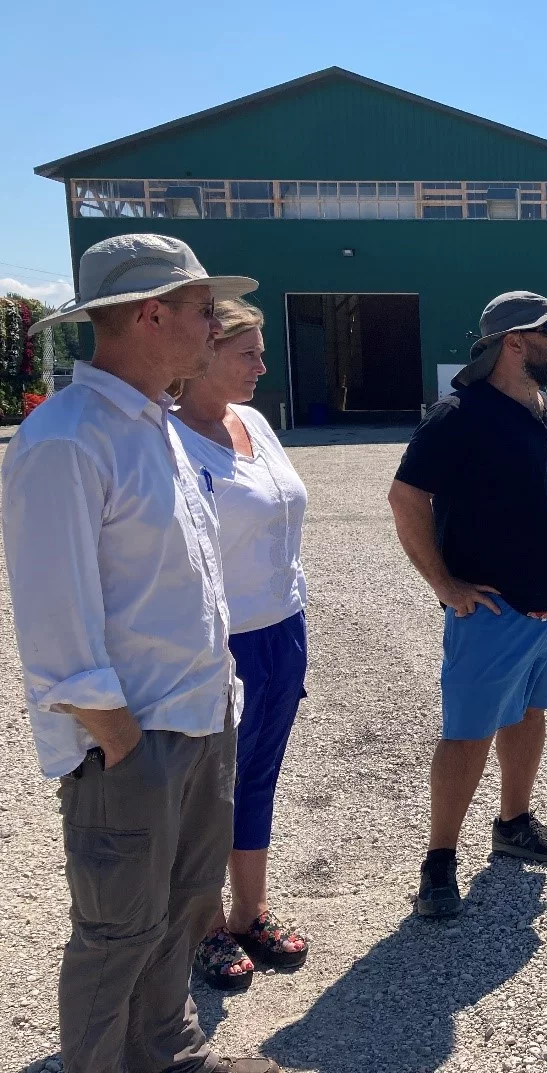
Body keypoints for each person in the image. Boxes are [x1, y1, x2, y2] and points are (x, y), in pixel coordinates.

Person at [1, 233, 279, 1073]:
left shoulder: (151, 423)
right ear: (152, 314)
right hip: (134, 740)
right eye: (202, 311)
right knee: (117, 932)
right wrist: (118, 739)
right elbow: (54, 624)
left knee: (185, 907)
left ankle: (170, 1049)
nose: (213, 326)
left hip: (197, 719)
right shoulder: (66, 439)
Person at [388, 291, 547, 917]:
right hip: (493, 615)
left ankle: (513, 823)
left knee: (530, 713)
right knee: (467, 734)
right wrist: (446, 587)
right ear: (513, 342)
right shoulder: (459, 416)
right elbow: (406, 500)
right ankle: (439, 861)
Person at [171, 298, 311, 991]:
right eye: (247, 352)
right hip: (216, 640)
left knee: (256, 774)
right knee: (205, 792)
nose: (262, 365)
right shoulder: (166, 438)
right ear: (201, 354)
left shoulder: (253, 420)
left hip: (282, 628)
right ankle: (202, 928)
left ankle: (249, 910)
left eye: (262, 350)